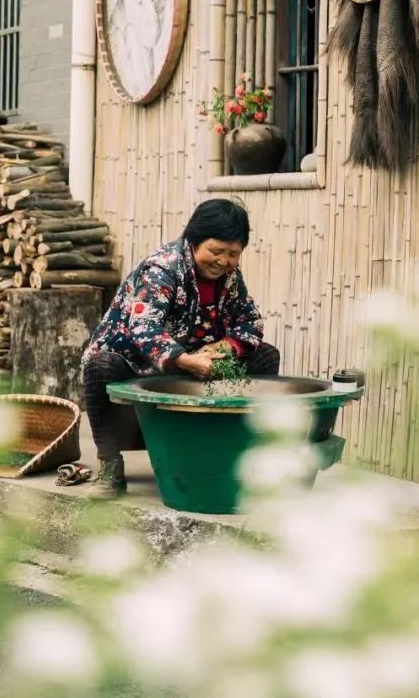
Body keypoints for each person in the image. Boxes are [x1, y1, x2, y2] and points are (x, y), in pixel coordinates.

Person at [80, 199, 280, 498]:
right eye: (215, 251)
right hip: (139, 363)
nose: (223, 262)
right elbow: (144, 326)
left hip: (198, 362)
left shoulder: (231, 278)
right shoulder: (162, 269)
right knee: (99, 365)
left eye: (233, 254)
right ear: (193, 240)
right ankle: (109, 465)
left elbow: (250, 323)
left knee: (266, 356)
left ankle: (233, 451)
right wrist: (184, 359)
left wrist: (224, 348)